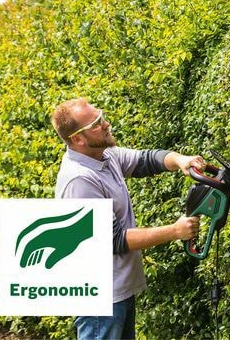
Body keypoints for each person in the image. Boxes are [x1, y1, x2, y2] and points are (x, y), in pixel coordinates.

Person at [51, 98, 203, 339]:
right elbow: (114, 240)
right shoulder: (79, 179)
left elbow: (145, 161)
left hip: (117, 292)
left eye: (101, 116)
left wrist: (180, 160)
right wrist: (175, 231)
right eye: (96, 123)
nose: (105, 124)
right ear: (77, 139)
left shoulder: (104, 156)